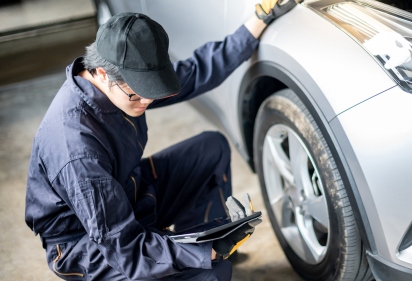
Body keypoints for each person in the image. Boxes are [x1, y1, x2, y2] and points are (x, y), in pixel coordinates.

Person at [25, 1, 301, 280]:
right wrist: (207, 253)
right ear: (102, 74)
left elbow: (198, 71)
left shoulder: (123, 82)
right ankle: (198, 254)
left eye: (151, 89)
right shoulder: (77, 150)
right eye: (137, 94)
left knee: (210, 148)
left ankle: (198, 242)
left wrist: (258, 20)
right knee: (212, 273)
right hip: (86, 243)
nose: (146, 100)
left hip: (126, 191)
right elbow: (124, 247)